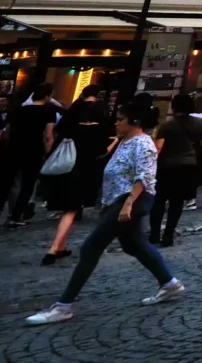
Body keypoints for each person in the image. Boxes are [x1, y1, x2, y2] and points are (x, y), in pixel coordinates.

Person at [24, 95, 185, 325]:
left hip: (128, 201)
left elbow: (145, 175)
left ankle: (63, 306)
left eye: (120, 119)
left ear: (133, 121)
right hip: (117, 200)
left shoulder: (142, 143)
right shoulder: (125, 140)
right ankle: (170, 284)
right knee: (134, 245)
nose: (116, 123)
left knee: (91, 247)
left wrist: (127, 204)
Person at [40, 85, 109, 264]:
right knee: (71, 209)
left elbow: (57, 133)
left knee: (67, 210)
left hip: (65, 169)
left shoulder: (71, 121)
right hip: (84, 171)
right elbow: (102, 150)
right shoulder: (100, 124)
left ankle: (60, 247)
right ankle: (54, 249)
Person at [149, 91, 202, 247]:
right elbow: (201, 142)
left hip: (167, 165)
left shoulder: (167, 125)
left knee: (159, 200)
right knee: (177, 202)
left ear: (174, 108)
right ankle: (168, 235)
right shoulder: (199, 124)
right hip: (188, 165)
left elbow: (158, 148)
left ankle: (154, 235)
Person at [6, 83, 60, 227]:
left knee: (8, 182)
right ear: (47, 95)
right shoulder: (48, 111)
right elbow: (49, 135)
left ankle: (8, 213)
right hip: (33, 150)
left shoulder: (21, 109)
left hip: (14, 148)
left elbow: (9, 129)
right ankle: (16, 216)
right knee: (27, 185)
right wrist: (49, 151)